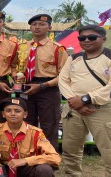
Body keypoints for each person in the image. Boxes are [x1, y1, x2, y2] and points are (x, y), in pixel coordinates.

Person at [58, 25, 111, 176]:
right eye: (82, 38)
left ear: (103, 39)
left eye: (92, 37)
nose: (86, 40)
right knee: (70, 150)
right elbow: (63, 80)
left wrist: (86, 99)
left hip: (103, 108)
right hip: (74, 109)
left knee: (110, 151)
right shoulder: (73, 58)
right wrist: (75, 102)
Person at [18, 14, 68, 149]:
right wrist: (17, 76)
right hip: (26, 87)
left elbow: (64, 75)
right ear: (30, 28)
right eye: (34, 24)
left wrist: (42, 85)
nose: (37, 27)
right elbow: (15, 67)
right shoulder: (23, 47)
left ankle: (49, 158)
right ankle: (29, 154)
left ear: (50, 27)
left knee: (49, 124)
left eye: (42, 24)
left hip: (48, 88)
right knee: (27, 123)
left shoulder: (58, 48)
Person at [0, 97, 61, 177]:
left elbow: (55, 158)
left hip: (27, 169)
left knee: (45, 169)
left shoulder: (36, 133)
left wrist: (25, 160)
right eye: (8, 111)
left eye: (17, 111)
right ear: (3, 114)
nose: (13, 114)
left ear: (25, 114)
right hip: (4, 168)